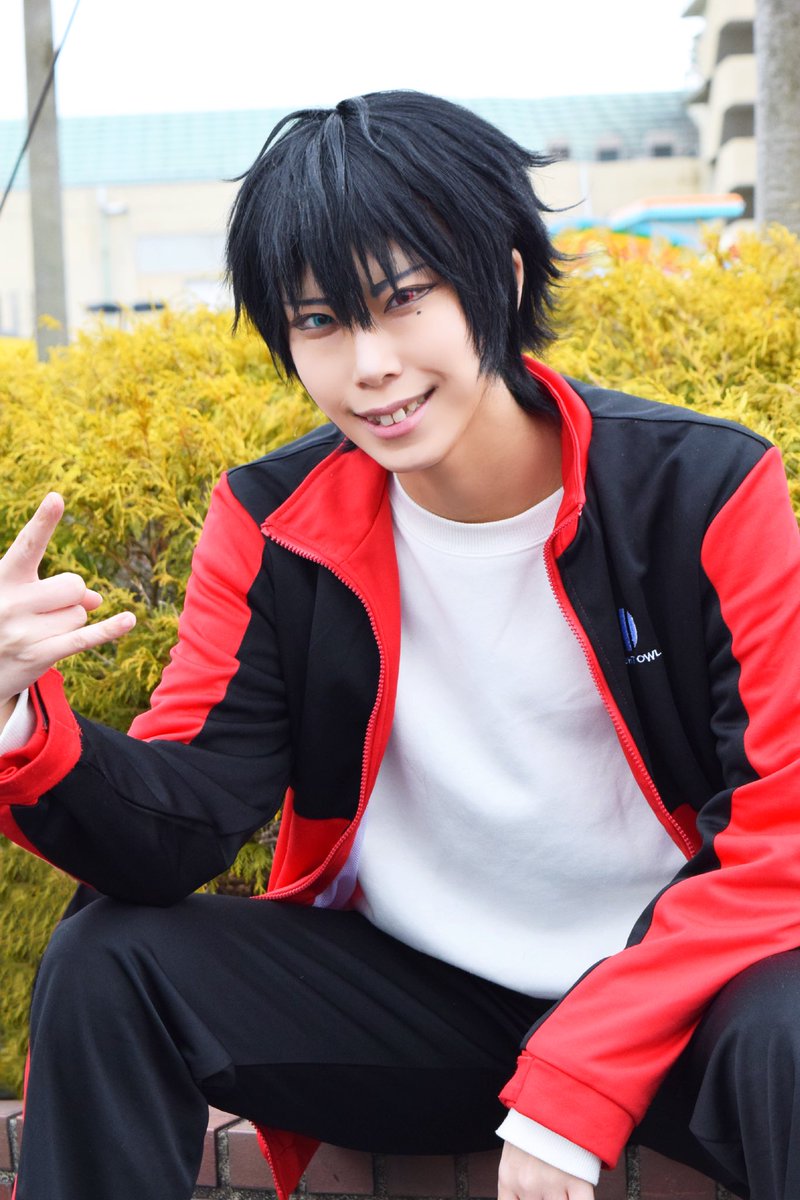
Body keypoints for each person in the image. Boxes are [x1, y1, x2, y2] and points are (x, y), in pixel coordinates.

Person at [1, 90, 799, 1200]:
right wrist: (16, 719)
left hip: (672, 1012)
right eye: (320, 322)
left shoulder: (699, 488)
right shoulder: (274, 522)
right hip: (423, 1010)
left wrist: (578, 1079)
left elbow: (780, 836)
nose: (367, 364)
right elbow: (187, 813)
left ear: (501, 280)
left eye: (404, 299)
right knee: (109, 962)